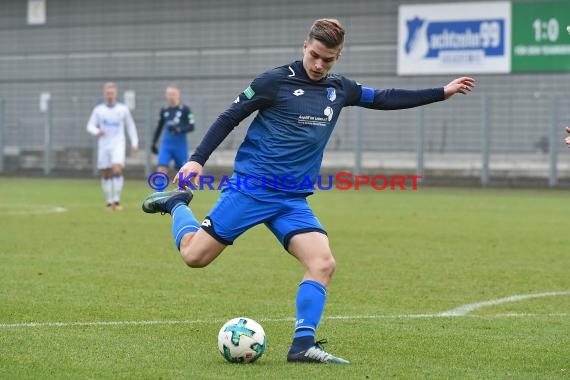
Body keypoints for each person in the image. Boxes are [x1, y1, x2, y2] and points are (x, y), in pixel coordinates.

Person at [142, 19, 475, 363]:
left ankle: (302, 345)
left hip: (291, 199)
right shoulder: (273, 81)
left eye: (327, 60)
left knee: (323, 263)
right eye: (314, 55)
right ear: (305, 46)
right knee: (194, 257)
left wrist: (442, 91)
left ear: (338, 57)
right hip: (251, 189)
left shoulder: (339, 88)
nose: (318, 65)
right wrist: (197, 160)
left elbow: (385, 98)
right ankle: (178, 205)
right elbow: (229, 117)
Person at [87, 82, 139, 211]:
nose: (110, 95)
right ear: (105, 94)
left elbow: (130, 126)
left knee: (117, 169)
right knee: (105, 172)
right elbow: (90, 125)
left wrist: (134, 142)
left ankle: (116, 200)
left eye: (112, 93)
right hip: (104, 144)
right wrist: (97, 131)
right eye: (107, 93)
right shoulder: (99, 110)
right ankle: (109, 202)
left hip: (118, 143)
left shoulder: (123, 109)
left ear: (115, 94)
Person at [151, 85, 195, 174]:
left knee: (183, 171)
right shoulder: (164, 110)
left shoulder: (186, 110)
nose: (171, 96)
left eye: (173, 94)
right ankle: (160, 188)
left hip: (180, 145)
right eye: (169, 94)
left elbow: (191, 126)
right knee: (161, 167)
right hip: (166, 145)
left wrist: (180, 129)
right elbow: (159, 127)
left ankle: (184, 187)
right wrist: (154, 142)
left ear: (178, 94)